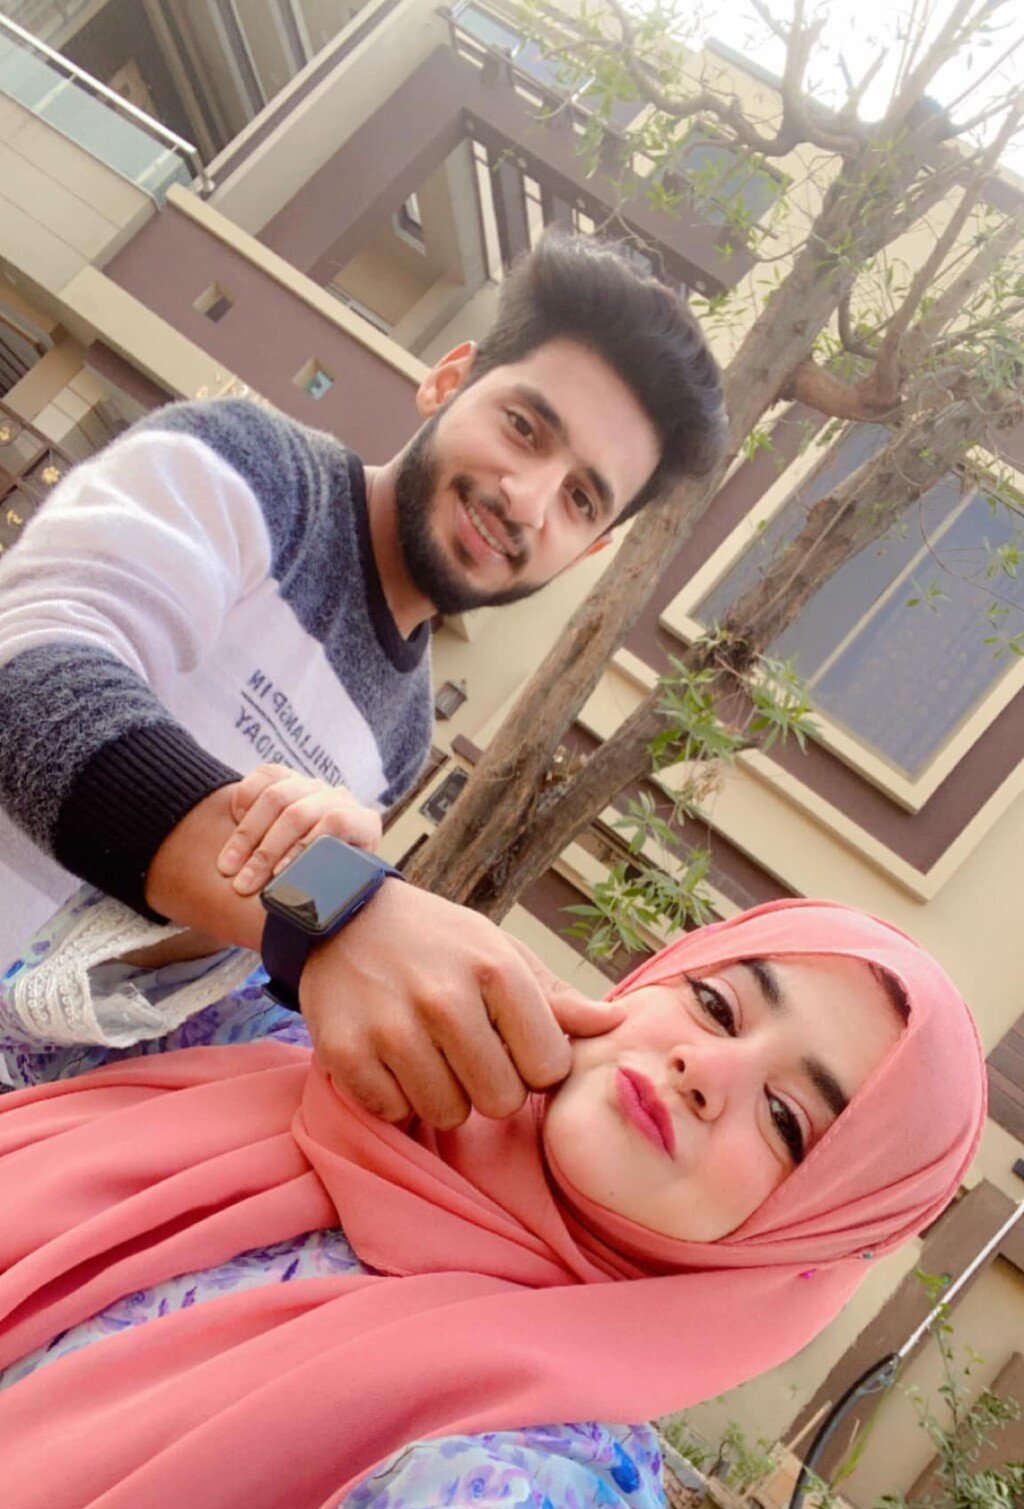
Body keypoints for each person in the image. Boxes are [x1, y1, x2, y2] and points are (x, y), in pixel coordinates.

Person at [0, 895, 985, 1509]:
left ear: (806, 1246)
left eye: (786, 1122)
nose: (705, 1069)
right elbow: (42, 1009)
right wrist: (322, 897)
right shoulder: (312, 1059)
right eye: (717, 1005)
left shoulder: (543, 1478)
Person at [0, 233, 726, 1123]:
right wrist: (343, 910)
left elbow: (204, 943)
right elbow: (31, 675)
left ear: (592, 549)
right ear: (448, 380)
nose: (526, 500)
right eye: (524, 429)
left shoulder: (402, 735)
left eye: (580, 499)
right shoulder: (252, 466)